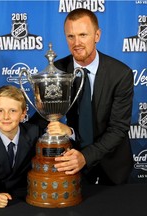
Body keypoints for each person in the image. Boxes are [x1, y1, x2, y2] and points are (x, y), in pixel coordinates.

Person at [30, 8, 134, 185]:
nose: (76, 42)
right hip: (71, 162)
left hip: (113, 164)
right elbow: (42, 118)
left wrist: (85, 156)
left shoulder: (120, 74)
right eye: (70, 36)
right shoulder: (58, 70)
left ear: (97, 35)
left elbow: (118, 129)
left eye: (83, 35)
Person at [0, 85, 69, 208]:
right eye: (0, 111)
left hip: (31, 195)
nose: (6, 116)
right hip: (2, 195)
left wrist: (68, 132)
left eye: (13, 111)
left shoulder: (35, 133)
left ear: (23, 114)